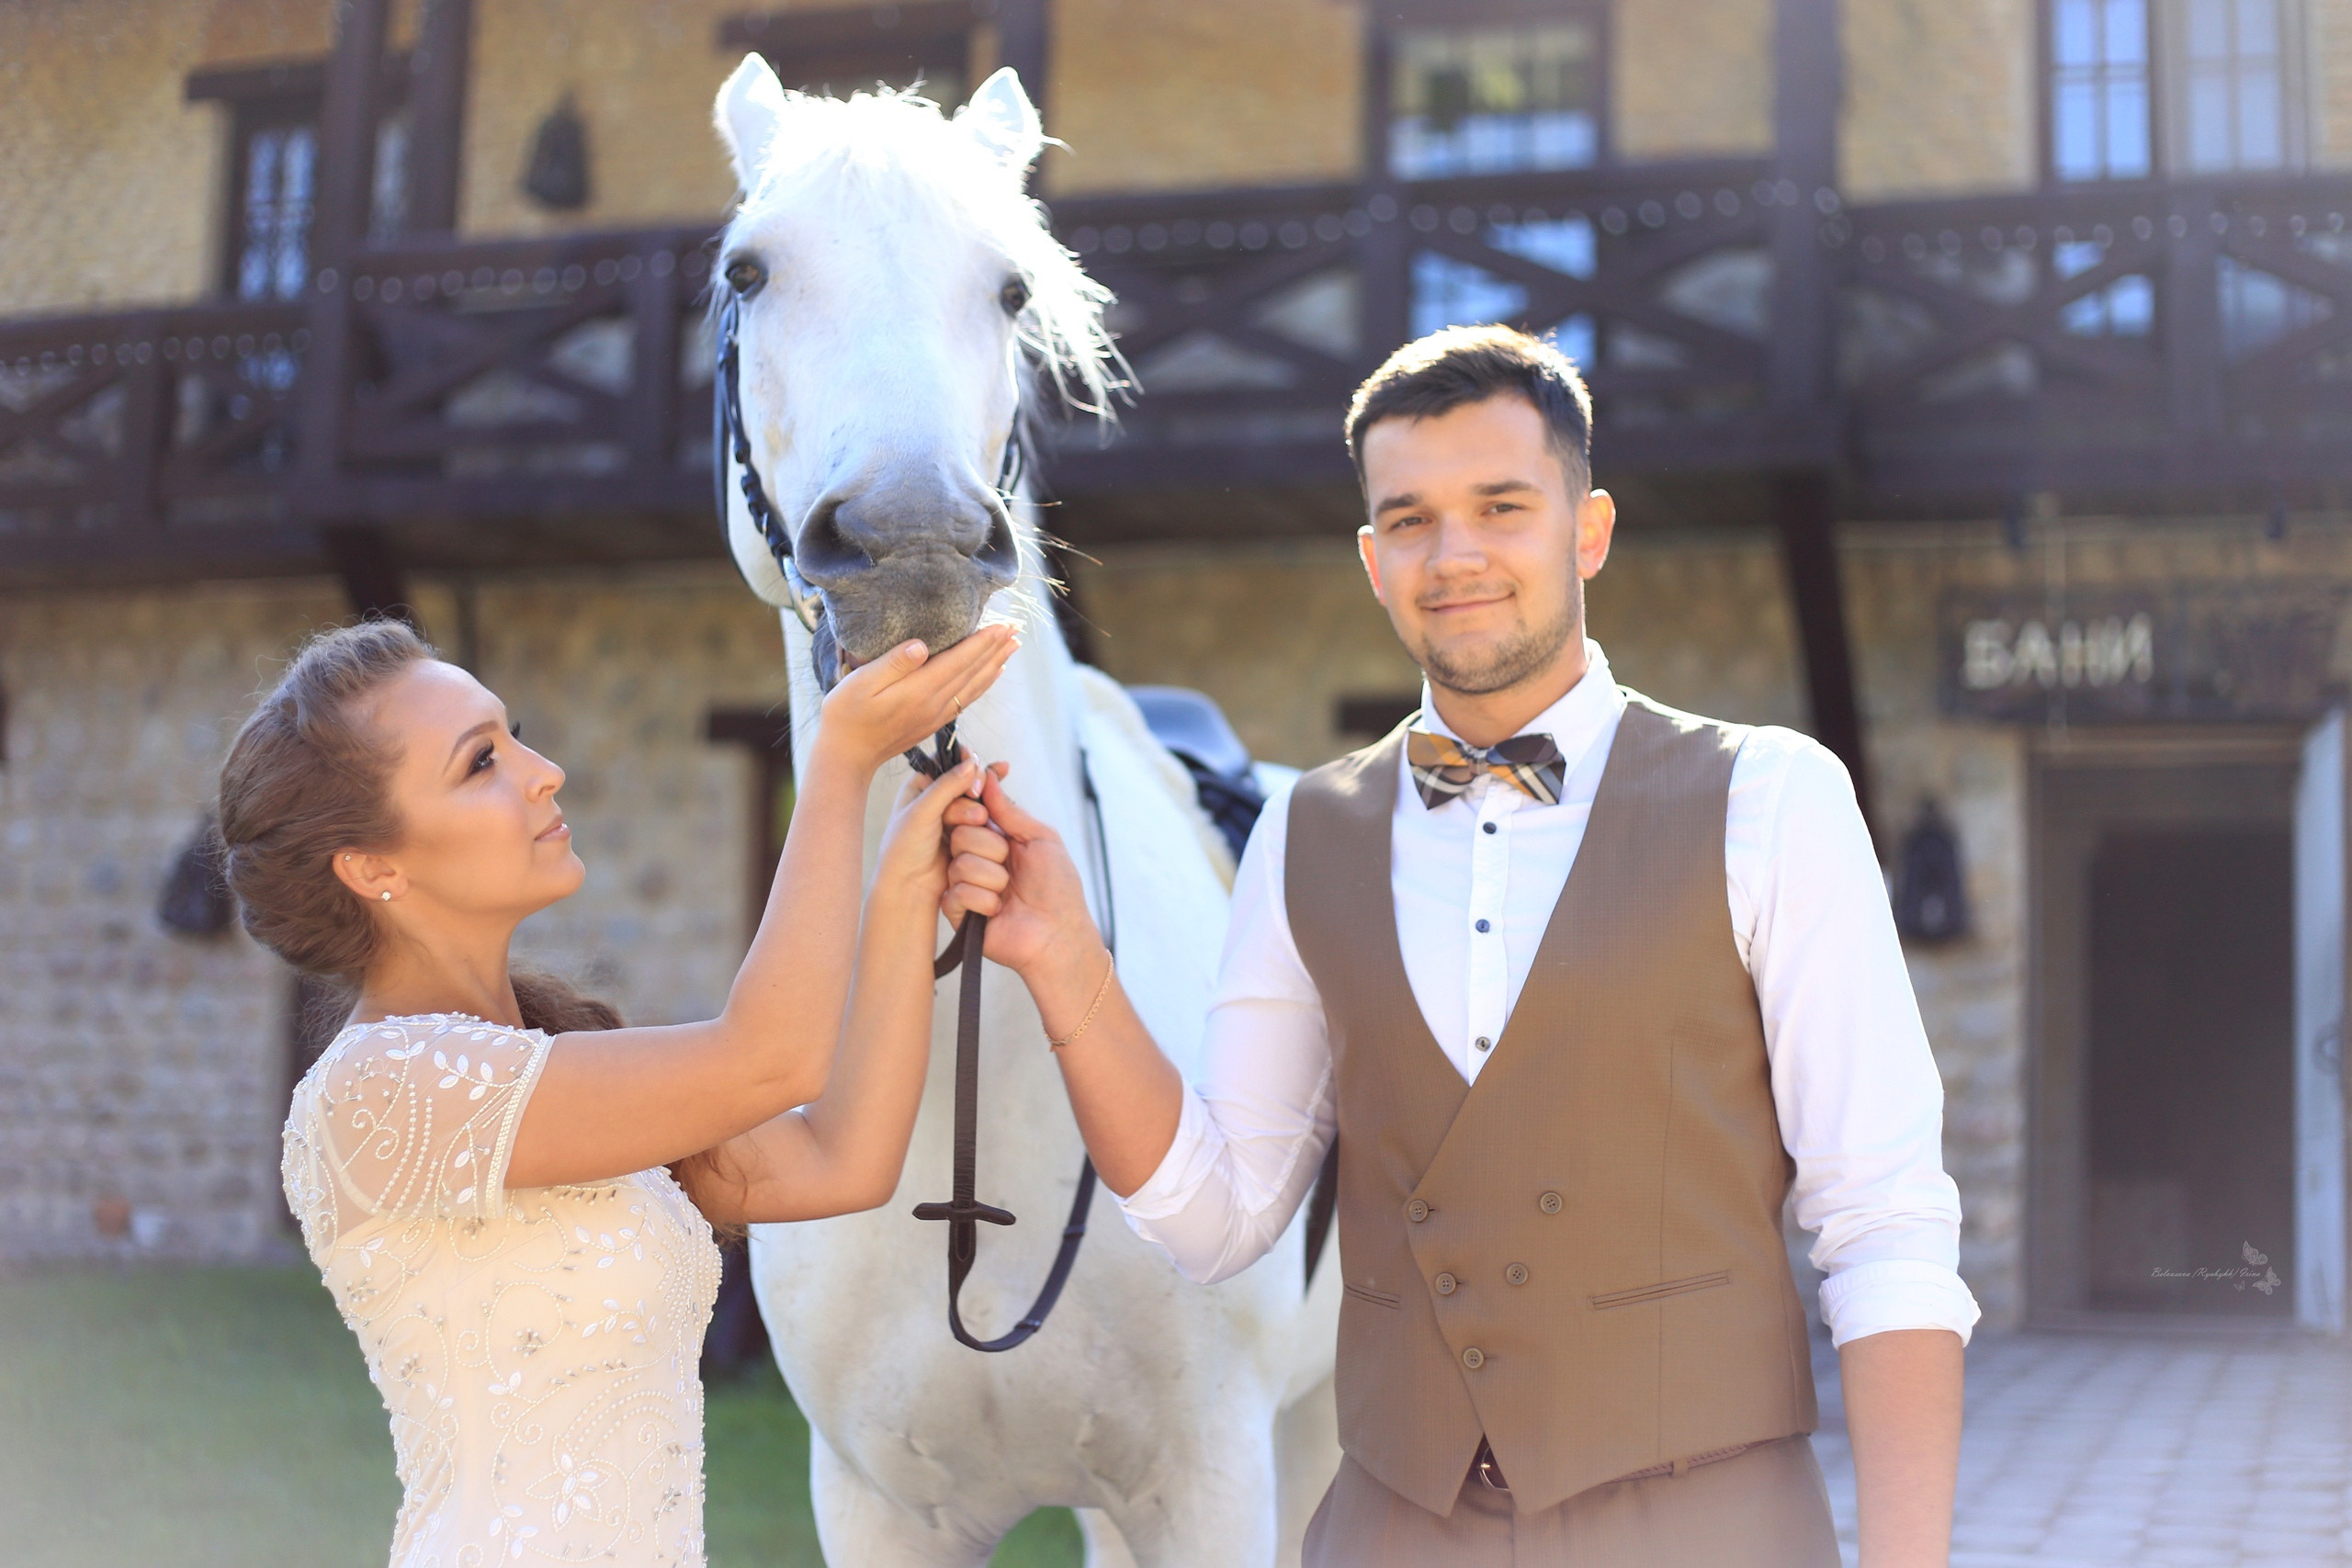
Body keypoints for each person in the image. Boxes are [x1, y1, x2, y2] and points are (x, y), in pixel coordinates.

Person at [943, 325, 1978, 1566]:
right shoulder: (1301, 830)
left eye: (1502, 505)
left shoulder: (1773, 798)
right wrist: (1066, 963)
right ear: (1376, 561)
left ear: (1587, 530)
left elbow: (1884, 1224)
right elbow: (1218, 1216)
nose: (1459, 554)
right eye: (1414, 518)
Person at [218, 615, 1013, 1568]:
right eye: (480, 763)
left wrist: (901, 893)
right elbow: (769, 1059)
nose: (543, 769)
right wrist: (837, 762)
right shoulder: (379, 1095)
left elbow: (841, 1156)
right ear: (374, 867)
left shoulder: (549, 1066)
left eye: (513, 734)